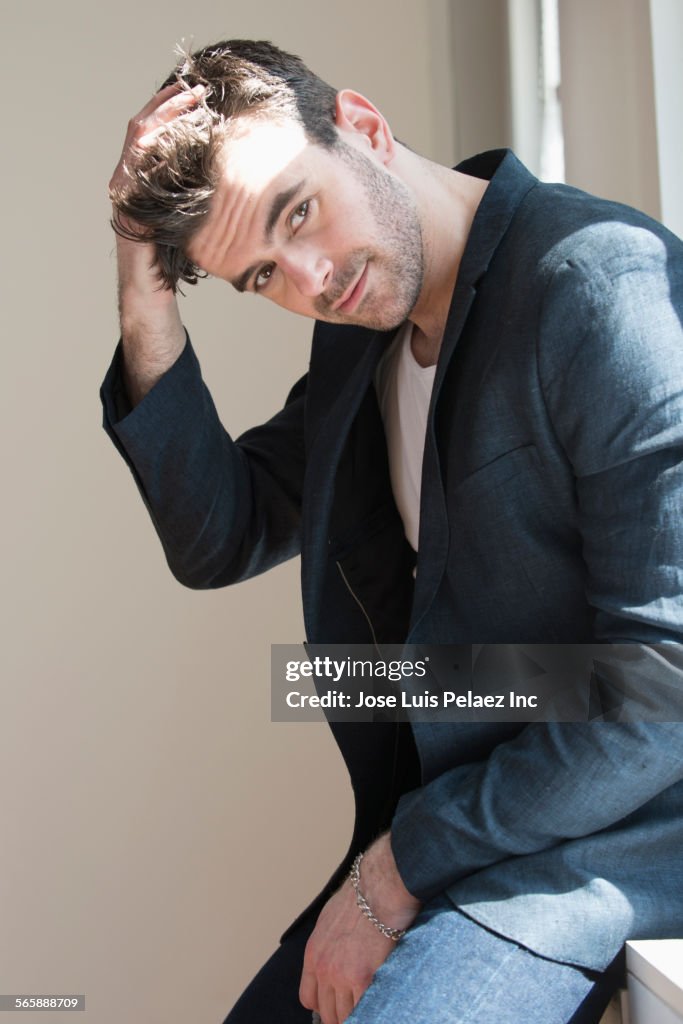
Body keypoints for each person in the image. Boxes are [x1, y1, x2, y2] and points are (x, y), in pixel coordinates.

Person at [101, 39, 683, 1024]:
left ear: (363, 128)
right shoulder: (359, 334)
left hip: (610, 838)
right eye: (260, 278)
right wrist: (141, 289)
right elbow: (222, 533)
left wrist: (397, 867)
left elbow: (662, 686)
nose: (311, 280)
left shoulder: (596, 284)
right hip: (457, 832)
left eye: (298, 212)